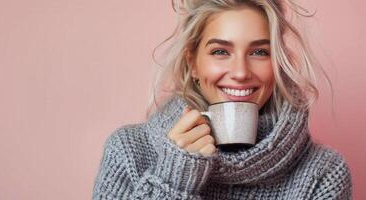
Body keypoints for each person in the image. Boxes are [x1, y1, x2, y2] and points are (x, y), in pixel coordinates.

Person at [92, 0, 353, 199]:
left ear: (277, 63)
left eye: (259, 52)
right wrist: (174, 178)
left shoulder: (323, 173)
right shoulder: (128, 151)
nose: (240, 72)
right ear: (192, 62)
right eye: (220, 51)